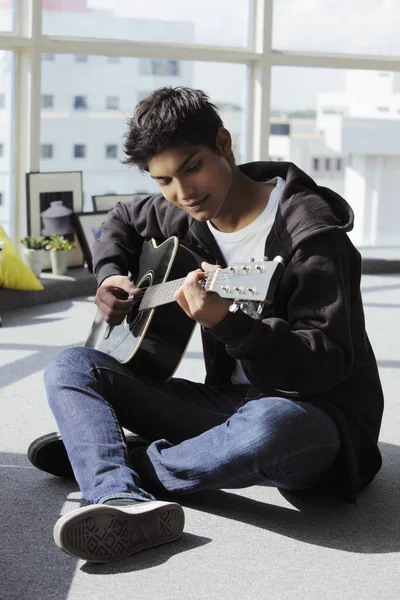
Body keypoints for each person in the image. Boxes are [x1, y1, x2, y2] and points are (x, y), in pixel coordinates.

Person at [28, 86, 384, 564]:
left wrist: (228, 323)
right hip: (226, 405)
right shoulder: (183, 210)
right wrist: (111, 271)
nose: (183, 192)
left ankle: (109, 459)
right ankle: (118, 498)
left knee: (270, 425)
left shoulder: (312, 235)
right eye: (164, 181)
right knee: (72, 366)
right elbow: (120, 218)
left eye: (192, 167)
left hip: (317, 419)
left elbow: (326, 363)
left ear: (223, 142)